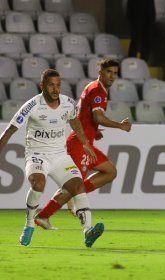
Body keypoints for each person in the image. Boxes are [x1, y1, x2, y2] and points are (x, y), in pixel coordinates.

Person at [0, 69, 104, 247]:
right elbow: (10, 130)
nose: (56, 89)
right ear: (42, 86)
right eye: (51, 85)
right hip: (37, 155)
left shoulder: (67, 103)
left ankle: (88, 231)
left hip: (60, 156)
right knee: (38, 184)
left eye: (58, 85)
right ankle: (29, 224)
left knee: (78, 185)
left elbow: (74, 121)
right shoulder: (32, 106)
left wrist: (85, 143)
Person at [34, 58, 132, 229]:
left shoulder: (94, 87)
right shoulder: (98, 90)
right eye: (108, 72)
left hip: (85, 141)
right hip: (80, 143)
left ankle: (74, 195)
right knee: (74, 184)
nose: (112, 76)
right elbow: (98, 117)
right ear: (100, 72)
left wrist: (95, 131)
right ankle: (43, 216)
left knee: (110, 172)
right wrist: (120, 126)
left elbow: (86, 116)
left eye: (115, 73)